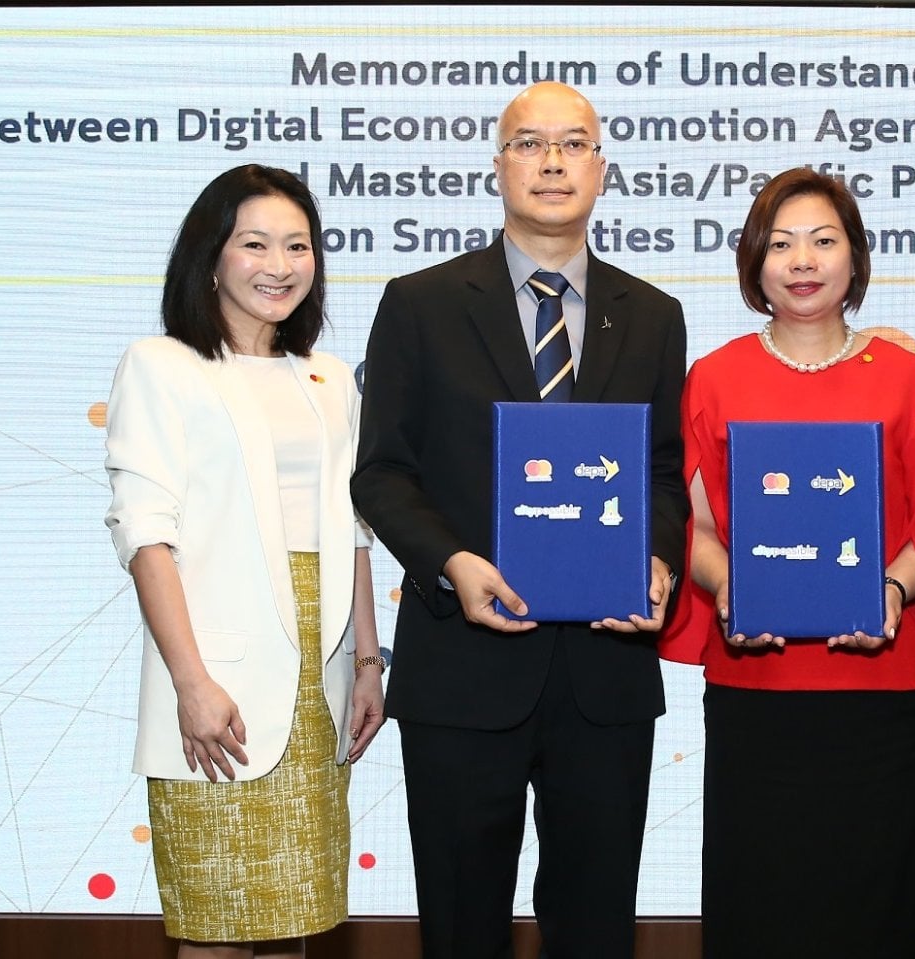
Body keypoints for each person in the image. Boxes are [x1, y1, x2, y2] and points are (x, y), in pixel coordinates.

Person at [350, 82, 687, 959]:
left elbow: (662, 473)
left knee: (597, 927)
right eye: (529, 144)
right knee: (462, 926)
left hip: (605, 675)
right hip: (461, 670)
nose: (552, 162)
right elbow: (381, 473)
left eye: (573, 144)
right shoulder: (420, 302)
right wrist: (451, 562)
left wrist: (658, 561)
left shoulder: (653, 316)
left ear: (602, 169)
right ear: (498, 166)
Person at [660, 167, 915, 959]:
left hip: (877, 687)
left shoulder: (909, 377)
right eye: (781, 243)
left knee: (879, 906)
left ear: (854, 256)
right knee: (761, 904)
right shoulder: (714, 377)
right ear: (754, 262)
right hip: (756, 688)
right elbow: (691, 524)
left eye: (823, 241)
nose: (802, 260)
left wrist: (891, 586)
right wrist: (728, 583)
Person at [104, 164, 385, 959]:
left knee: (293, 920)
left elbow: (353, 530)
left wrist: (368, 662)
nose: (280, 265)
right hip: (217, 680)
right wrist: (190, 682)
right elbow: (145, 536)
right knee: (217, 929)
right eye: (255, 244)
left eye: (298, 246)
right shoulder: (161, 364)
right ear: (211, 256)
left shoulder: (329, 378)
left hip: (320, 677)